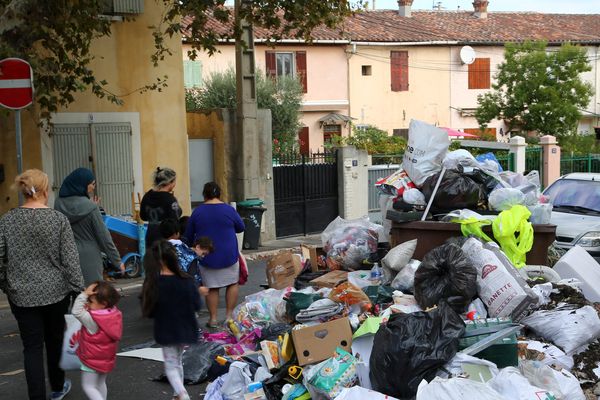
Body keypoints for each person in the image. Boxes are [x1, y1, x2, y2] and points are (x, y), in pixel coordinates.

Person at [0, 169, 85, 400]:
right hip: (56, 293)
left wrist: (5, 284)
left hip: (21, 295)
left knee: (32, 347)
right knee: (55, 340)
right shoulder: (58, 220)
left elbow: (0, 257)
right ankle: (58, 387)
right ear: (45, 191)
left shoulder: (7, 221)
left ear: (24, 191)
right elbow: (70, 259)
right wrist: (79, 290)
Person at [141, 240, 200, 400]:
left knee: (171, 367)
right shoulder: (187, 280)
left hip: (167, 331)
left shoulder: (155, 283)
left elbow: (150, 311)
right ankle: (176, 395)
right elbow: (196, 305)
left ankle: (182, 394)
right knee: (178, 362)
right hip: (186, 329)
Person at [184, 182, 244, 328]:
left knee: (211, 287)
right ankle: (229, 316)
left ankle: (213, 318)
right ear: (219, 194)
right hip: (229, 253)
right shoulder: (229, 209)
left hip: (207, 255)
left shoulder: (198, 211)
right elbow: (241, 227)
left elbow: (189, 234)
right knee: (232, 283)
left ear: (205, 194)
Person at [54, 168, 124, 286]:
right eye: (92, 184)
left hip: (66, 256)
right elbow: (104, 237)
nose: (93, 187)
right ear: (82, 184)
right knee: (92, 297)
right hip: (90, 259)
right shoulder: (90, 207)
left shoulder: (58, 203)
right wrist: (117, 261)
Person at [72, 282, 122, 400]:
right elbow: (89, 308)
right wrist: (89, 301)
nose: (87, 303)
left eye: (90, 301)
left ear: (103, 303)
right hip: (105, 358)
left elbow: (76, 311)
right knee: (100, 383)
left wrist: (83, 295)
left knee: (88, 386)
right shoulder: (113, 313)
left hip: (91, 359)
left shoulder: (92, 320)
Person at [140, 167, 182, 248]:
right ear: (170, 182)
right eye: (174, 182)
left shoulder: (147, 195)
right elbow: (175, 220)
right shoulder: (170, 199)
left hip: (150, 236)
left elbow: (143, 216)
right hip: (166, 239)